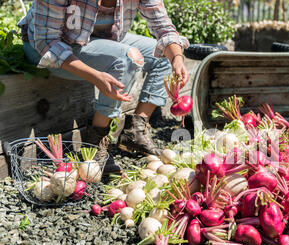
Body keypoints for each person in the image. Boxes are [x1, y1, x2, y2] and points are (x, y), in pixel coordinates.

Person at [18, 0, 190, 174]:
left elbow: (164, 27)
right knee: (127, 57)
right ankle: (94, 145)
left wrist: (176, 57)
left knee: (163, 57)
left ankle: (135, 132)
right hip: (47, 48)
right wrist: (95, 75)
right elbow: (46, 42)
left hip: (102, 40)